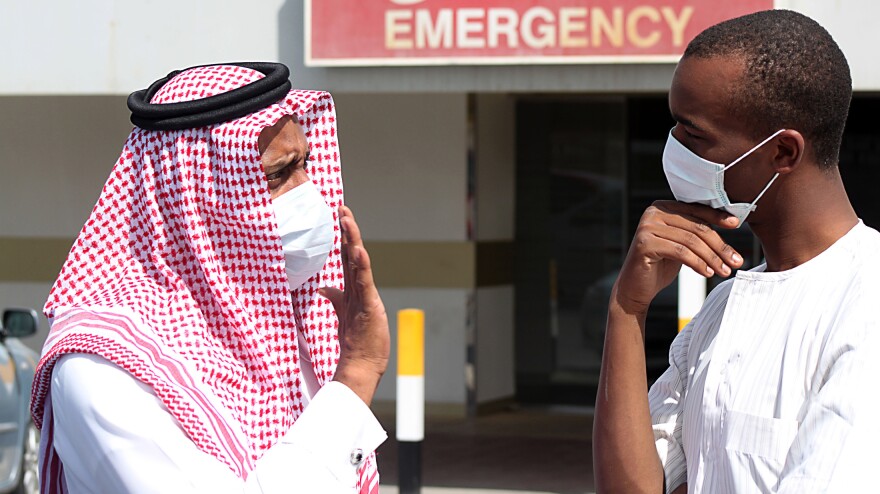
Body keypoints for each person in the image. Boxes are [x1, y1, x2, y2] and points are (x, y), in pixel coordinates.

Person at [31, 62, 390, 493]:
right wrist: (354, 377)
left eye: (305, 165)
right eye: (276, 175)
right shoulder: (104, 369)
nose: (309, 192)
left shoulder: (280, 331)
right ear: (193, 201)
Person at [592, 9, 880, 494]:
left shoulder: (865, 303)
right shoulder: (720, 311)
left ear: (783, 152)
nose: (674, 147)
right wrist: (626, 308)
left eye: (694, 134)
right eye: (674, 128)